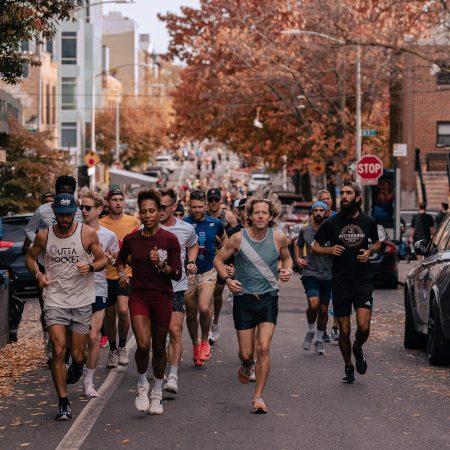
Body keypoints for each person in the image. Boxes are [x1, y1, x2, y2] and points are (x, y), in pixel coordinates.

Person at [25, 193, 106, 421]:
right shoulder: (44, 236)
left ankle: (78, 367)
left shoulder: (87, 234)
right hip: (55, 299)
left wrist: (90, 267)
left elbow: (103, 261)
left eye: (68, 214)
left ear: (75, 212)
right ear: (55, 213)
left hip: (81, 300)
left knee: (79, 355)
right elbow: (30, 259)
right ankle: (63, 401)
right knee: (59, 350)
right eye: (60, 215)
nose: (64, 219)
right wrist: (38, 274)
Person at [215, 198, 293, 414]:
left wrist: (287, 271)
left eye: (264, 213)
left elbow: (287, 259)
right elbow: (219, 260)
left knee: (264, 348)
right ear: (249, 215)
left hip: (268, 298)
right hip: (244, 299)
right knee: (246, 353)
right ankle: (246, 365)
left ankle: (258, 396)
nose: (260, 216)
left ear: (270, 216)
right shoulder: (238, 238)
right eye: (256, 212)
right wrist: (227, 280)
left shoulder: (278, 238)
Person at [115, 189, 182, 415]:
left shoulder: (169, 239)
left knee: (159, 346)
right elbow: (120, 261)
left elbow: (177, 273)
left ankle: (157, 391)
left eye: (152, 211)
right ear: (140, 214)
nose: (148, 215)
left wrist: (162, 265)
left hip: (162, 297)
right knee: (143, 344)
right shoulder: (132, 239)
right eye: (143, 212)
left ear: (160, 212)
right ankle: (142, 385)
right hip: (139, 296)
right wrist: (122, 273)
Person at [312, 181, 380, 384]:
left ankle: (358, 347)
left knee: (363, 326)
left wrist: (370, 251)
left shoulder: (368, 221)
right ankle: (348, 366)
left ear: (358, 197)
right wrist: (328, 250)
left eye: (349, 193)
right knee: (343, 330)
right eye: (342, 193)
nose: (345, 196)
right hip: (340, 280)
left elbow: (376, 242)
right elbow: (315, 246)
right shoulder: (332, 223)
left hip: (363, 279)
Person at [24, 176, 83, 365]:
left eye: (69, 192)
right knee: (48, 307)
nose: (65, 194)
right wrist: (40, 241)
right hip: (46, 265)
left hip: (72, 267)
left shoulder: (79, 211)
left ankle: (68, 350)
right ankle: (50, 343)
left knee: (70, 308)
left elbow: (86, 233)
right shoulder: (42, 210)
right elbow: (29, 230)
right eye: (62, 191)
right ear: (56, 191)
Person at [158, 188, 199, 396]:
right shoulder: (146, 227)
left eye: (163, 207)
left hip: (176, 287)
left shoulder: (186, 228)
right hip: (153, 289)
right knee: (156, 336)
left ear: (174, 207)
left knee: (175, 330)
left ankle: (172, 376)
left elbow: (194, 245)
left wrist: (190, 262)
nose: (158, 211)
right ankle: (158, 370)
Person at [80, 191, 119, 398]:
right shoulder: (74, 231)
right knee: (77, 340)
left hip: (98, 288)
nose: (83, 211)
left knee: (93, 336)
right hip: (75, 291)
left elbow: (112, 259)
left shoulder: (108, 235)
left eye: (87, 207)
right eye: (82, 207)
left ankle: (88, 382)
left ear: (99, 209)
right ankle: (77, 365)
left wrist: (111, 259)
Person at [184, 190, 227, 366]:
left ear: (206, 206)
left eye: (201, 206)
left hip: (208, 271)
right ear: (189, 206)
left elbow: (226, 242)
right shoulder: (184, 224)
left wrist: (220, 259)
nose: (197, 210)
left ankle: (204, 340)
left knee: (203, 307)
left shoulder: (215, 223)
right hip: (188, 274)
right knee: (191, 312)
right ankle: (195, 345)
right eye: (193, 207)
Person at [100, 189, 140, 369]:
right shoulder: (100, 224)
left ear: (124, 202)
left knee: (123, 310)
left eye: (120, 199)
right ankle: (113, 349)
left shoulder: (133, 221)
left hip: (127, 273)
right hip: (105, 274)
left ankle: (123, 346)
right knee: (110, 314)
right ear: (107, 202)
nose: (117, 203)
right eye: (114, 200)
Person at [295, 201, 333, 355]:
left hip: (328, 274)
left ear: (325, 213)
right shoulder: (305, 230)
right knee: (313, 303)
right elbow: (297, 245)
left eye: (321, 211)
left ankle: (318, 339)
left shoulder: (331, 230)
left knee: (323, 310)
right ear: (312, 212)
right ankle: (310, 330)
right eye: (315, 210)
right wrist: (298, 258)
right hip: (310, 272)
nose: (318, 213)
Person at [206, 188, 237, 345]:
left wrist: (232, 262)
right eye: (210, 200)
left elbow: (237, 236)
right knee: (207, 295)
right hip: (205, 260)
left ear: (220, 201)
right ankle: (208, 328)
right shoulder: (202, 216)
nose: (213, 203)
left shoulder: (228, 217)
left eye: (215, 200)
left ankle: (215, 322)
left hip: (222, 260)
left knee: (217, 294)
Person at [316, 189, 338, 342]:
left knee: (337, 297)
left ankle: (335, 327)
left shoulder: (339, 217)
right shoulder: (314, 218)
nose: (326, 201)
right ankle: (322, 329)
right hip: (320, 266)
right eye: (322, 199)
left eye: (328, 198)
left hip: (337, 264)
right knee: (321, 302)